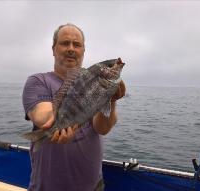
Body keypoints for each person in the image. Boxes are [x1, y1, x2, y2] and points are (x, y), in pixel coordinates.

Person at [22, 23, 125, 191]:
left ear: (83, 51)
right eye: (65, 43)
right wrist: (55, 124)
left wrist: (111, 100)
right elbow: (43, 116)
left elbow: (102, 128)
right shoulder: (38, 81)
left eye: (77, 44)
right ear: (53, 49)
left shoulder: (95, 83)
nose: (71, 48)